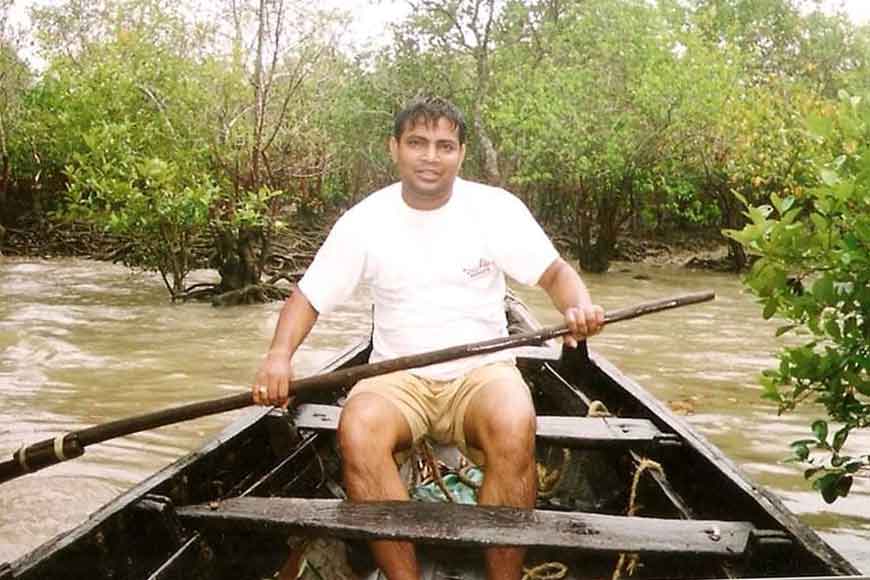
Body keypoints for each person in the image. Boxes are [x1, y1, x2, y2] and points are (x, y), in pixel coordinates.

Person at [252, 96, 604, 580]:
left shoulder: (494, 209)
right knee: (358, 428)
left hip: (482, 373)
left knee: (514, 418)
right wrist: (278, 358)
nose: (430, 157)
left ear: (461, 154)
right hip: (397, 375)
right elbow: (307, 298)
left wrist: (577, 307)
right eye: (417, 143)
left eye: (445, 146)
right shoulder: (365, 221)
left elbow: (555, 274)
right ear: (393, 148)